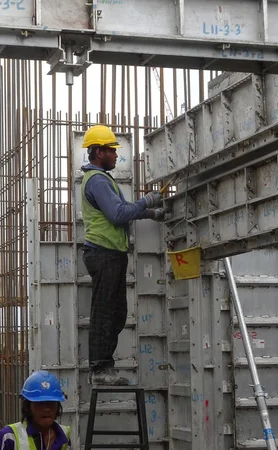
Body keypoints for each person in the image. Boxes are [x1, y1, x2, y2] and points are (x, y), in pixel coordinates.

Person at [80, 124, 164, 386]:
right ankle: (100, 369)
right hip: (103, 253)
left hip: (111, 254)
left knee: (116, 312)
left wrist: (150, 212)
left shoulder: (103, 180)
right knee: (105, 312)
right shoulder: (97, 181)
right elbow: (118, 214)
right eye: (111, 150)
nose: (116, 155)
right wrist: (147, 202)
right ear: (98, 152)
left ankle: (104, 366)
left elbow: (124, 209)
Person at [0, 371, 71, 450]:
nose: (47, 409)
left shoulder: (64, 436)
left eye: (51, 403)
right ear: (28, 407)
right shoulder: (9, 438)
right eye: (40, 403)